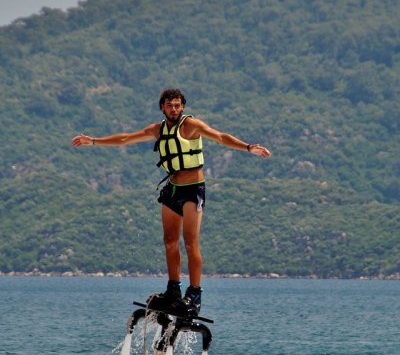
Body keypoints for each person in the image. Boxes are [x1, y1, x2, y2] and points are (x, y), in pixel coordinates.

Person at [72, 88, 271, 317]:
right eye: (170, 105)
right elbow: (126, 138)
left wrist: (248, 147)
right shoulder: (158, 129)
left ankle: (194, 295)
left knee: (190, 242)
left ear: (182, 106)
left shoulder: (191, 125)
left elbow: (220, 136)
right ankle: (173, 291)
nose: (174, 109)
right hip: (172, 189)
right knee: (169, 241)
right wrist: (94, 141)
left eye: (177, 105)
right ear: (162, 108)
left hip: (193, 189)